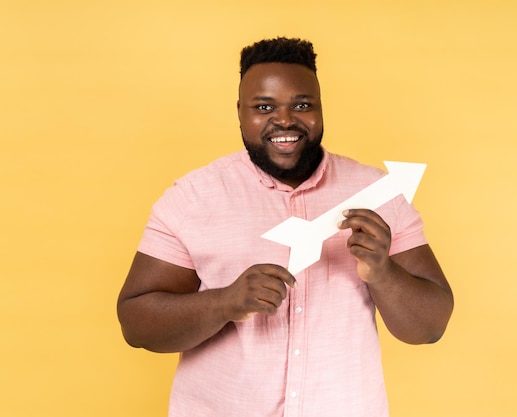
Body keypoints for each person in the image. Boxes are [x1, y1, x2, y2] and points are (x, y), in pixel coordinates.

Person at [117, 37, 453, 417]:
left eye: (302, 105)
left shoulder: (379, 194)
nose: (285, 120)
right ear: (240, 112)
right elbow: (137, 325)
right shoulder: (192, 198)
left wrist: (383, 271)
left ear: (321, 109)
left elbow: (430, 327)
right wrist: (225, 302)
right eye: (264, 107)